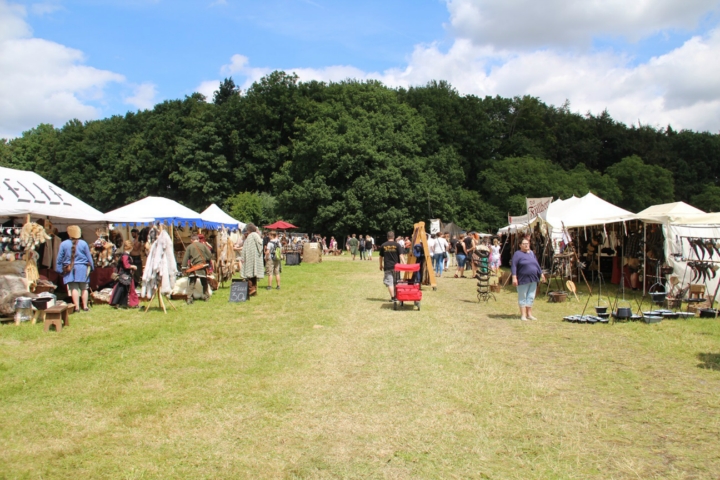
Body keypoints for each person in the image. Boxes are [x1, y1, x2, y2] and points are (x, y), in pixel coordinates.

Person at [55, 225, 95, 312]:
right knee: (84, 288)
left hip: (70, 269)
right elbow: (89, 257)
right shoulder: (83, 243)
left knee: (74, 288)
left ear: (69, 233)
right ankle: (85, 306)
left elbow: (59, 258)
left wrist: (59, 269)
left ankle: (76, 307)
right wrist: (92, 267)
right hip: (82, 268)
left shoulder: (63, 244)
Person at [511, 238, 546, 321]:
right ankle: (523, 315)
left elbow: (537, 264)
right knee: (522, 296)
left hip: (533, 278)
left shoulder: (531, 253)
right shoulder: (517, 254)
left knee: (531, 296)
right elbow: (514, 266)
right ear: (520, 245)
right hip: (523, 279)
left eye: (527, 243)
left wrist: (541, 274)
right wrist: (514, 277)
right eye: (524, 243)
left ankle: (529, 314)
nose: (526, 245)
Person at [182, 234, 214, 304]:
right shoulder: (203, 246)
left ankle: (189, 299)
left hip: (193, 268)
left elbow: (185, 258)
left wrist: (183, 268)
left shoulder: (189, 247)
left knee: (192, 284)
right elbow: (210, 256)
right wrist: (205, 260)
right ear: (198, 239)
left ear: (191, 240)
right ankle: (206, 296)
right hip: (202, 267)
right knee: (204, 283)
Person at [110, 240, 139, 308]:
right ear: (131, 247)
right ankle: (133, 303)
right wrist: (133, 266)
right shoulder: (125, 255)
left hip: (125, 275)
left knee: (125, 290)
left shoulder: (125, 255)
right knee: (125, 290)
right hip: (124, 275)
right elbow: (126, 265)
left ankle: (127, 303)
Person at [241, 223, 265, 296]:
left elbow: (247, 248)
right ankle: (254, 289)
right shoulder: (256, 236)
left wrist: (244, 257)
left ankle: (251, 289)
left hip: (250, 258)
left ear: (249, 230)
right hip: (255, 258)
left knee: (249, 274)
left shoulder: (251, 236)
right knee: (254, 274)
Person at [379, 231, 401, 300]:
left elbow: (380, 257)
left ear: (387, 237)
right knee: (396, 281)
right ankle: (397, 296)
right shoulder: (397, 245)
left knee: (390, 282)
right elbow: (401, 255)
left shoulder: (383, 245)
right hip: (397, 267)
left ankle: (393, 297)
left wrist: (380, 265)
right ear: (394, 237)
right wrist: (404, 264)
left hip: (387, 266)